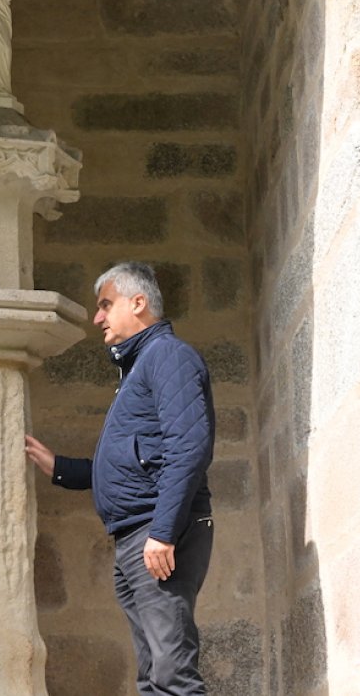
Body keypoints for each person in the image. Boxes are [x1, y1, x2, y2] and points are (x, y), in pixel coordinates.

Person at [25, 262, 216, 695]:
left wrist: (163, 532)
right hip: (138, 534)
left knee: (173, 676)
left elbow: (188, 448)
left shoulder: (167, 356)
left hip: (158, 535)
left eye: (105, 305)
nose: (98, 317)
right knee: (152, 678)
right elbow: (134, 463)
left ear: (139, 302)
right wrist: (60, 468)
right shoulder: (139, 366)